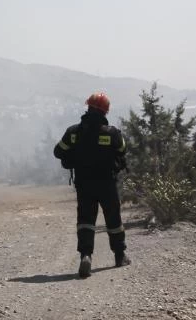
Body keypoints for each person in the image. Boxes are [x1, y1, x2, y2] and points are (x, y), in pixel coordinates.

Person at [53, 92, 131, 278]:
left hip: (84, 184)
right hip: (107, 184)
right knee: (113, 220)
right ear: (105, 111)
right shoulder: (112, 133)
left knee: (86, 221)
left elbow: (58, 152)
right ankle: (119, 255)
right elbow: (123, 149)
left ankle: (86, 255)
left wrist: (74, 155)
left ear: (88, 108)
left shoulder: (73, 132)